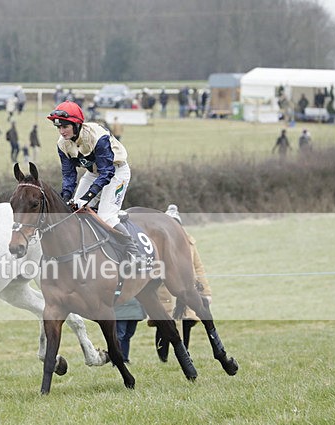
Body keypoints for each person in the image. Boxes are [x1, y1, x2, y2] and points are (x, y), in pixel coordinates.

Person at [47, 100, 145, 269]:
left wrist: (88, 197)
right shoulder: (62, 144)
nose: (62, 131)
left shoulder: (97, 136)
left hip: (116, 171)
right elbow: (69, 175)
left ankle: (134, 252)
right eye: (59, 127)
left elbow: (107, 172)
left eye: (65, 127)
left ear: (76, 125)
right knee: (73, 212)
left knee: (107, 215)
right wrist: (66, 198)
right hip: (93, 173)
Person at [151, 205, 212, 360]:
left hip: (186, 286)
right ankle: (163, 356)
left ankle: (185, 353)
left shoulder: (189, 242)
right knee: (164, 321)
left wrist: (206, 292)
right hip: (165, 288)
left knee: (187, 321)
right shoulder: (159, 243)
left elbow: (198, 267)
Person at [114, 298, 145, 364]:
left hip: (135, 311)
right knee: (120, 336)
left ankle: (124, 359)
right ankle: (117, 360)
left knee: (128, 335)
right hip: (120, 311)